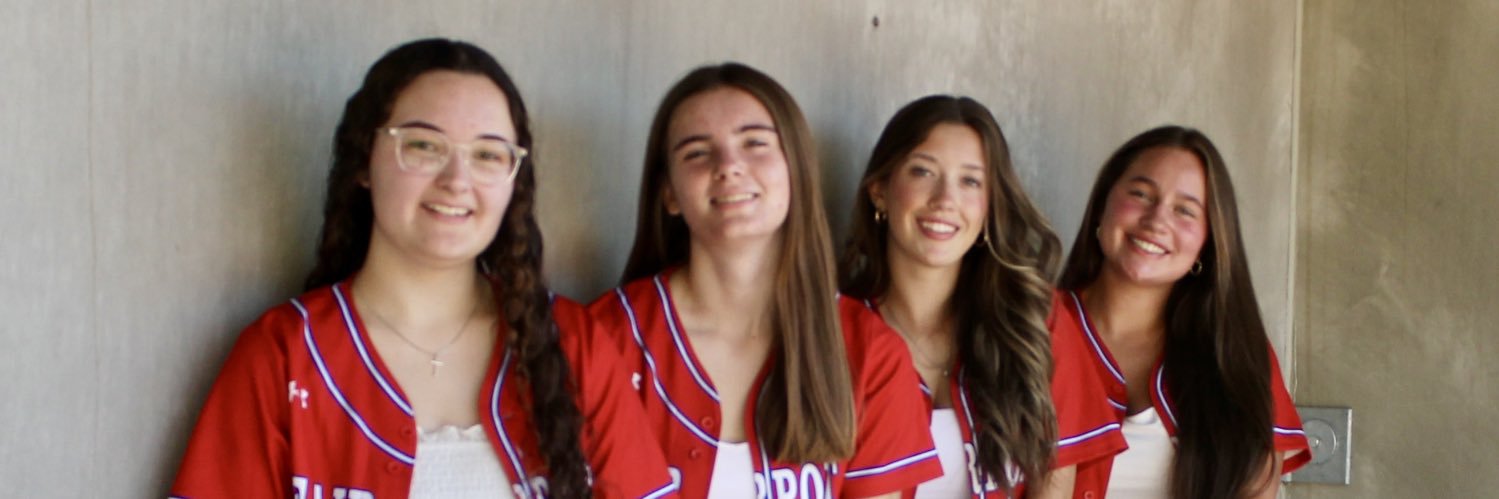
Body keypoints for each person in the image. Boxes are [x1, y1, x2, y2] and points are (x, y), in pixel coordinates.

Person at [170, 38, 675, 499]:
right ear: (364, 161)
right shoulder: (283, 355)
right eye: (424, 146)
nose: (457, 180)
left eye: (487, 155)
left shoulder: (572, 344)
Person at [587, 62, 942, 498]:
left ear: (796, 169)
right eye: (697, 152)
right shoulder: (604, 338)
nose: (729, 166)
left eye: (755, 144)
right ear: (669, 194)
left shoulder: (870, 353)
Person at [838, 95, 1126, 498]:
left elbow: (1056, 481)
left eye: (970, 181)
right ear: (880, 191)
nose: (945, 200)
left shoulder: (1033, 323)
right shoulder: (837, 335)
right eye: (922, 171)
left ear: (991, 206)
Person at [1053, 126, 1310, 498]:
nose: (1157, 220)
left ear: (1208, 242)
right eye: (1140, 194)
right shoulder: (1033, 328)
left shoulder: (1234, 350)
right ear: (1101, 206)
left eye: (1185, 210)